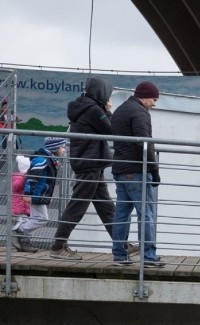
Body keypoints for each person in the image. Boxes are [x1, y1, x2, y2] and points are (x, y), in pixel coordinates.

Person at [50, 77, 133, 260]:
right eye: (107, 94)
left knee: (106, 207)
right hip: (90, 163)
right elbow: (112, 130)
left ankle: (122, 244)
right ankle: (57, 246)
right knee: (78, 205)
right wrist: (108, 111)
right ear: (101, 93)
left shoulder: (84, 107)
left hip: (90, 162)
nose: (109, 98)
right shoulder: (94, 110)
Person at [110, 81, 164, 267]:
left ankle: (119, 255)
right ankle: (148, 256)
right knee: (146, 214)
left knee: (121, 215)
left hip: (120, 170)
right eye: (154, 99)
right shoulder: (140, 112)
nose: (154, 104)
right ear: (144, 96)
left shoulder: (120, 110)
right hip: (136, 171)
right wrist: (154, 170)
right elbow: (145, 143)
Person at [13, 137, 66, 253]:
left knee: (38, 218)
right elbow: (32, 178)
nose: (64, 150)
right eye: (62, 147)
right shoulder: (42, 160)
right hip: (36, 195)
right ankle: (21, 231)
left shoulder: (48, 160)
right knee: (42, 218)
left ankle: (23, 240)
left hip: (39, 195)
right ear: (55, 148)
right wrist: (28, 193)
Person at [10, 155, 35, 252]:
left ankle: (24, 243)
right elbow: (17, 186)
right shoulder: (18, 177)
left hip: (27, 206)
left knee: (28, 224)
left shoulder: (27, 178)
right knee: (22, 222)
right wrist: (25, 177)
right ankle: (15, 233)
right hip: (20, 207)